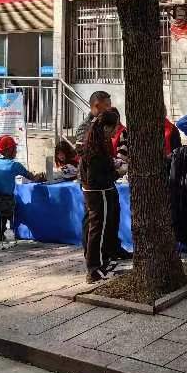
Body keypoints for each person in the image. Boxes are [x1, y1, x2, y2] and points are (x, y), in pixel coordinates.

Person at [80, 110, 129, 283]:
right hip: (99, 192)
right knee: (98, 229)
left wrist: (112, 166)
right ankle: (94, 268)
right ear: (107, 127)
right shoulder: (95, 146)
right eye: (115, 127)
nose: (116, 131)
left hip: (97, 191)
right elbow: (96, 177)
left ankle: (101, 262)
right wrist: (117, 173)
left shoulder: (97, 141)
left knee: (100, 228)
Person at [0, 135, 32, 242]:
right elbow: (30, 176)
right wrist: (39, 177)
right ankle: (16, 231)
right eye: (14, 148)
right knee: (16, 207)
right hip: (7, 201)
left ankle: (1, 232)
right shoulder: (14, 165)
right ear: (8, 150)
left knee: (2, 213)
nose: (16, 151)